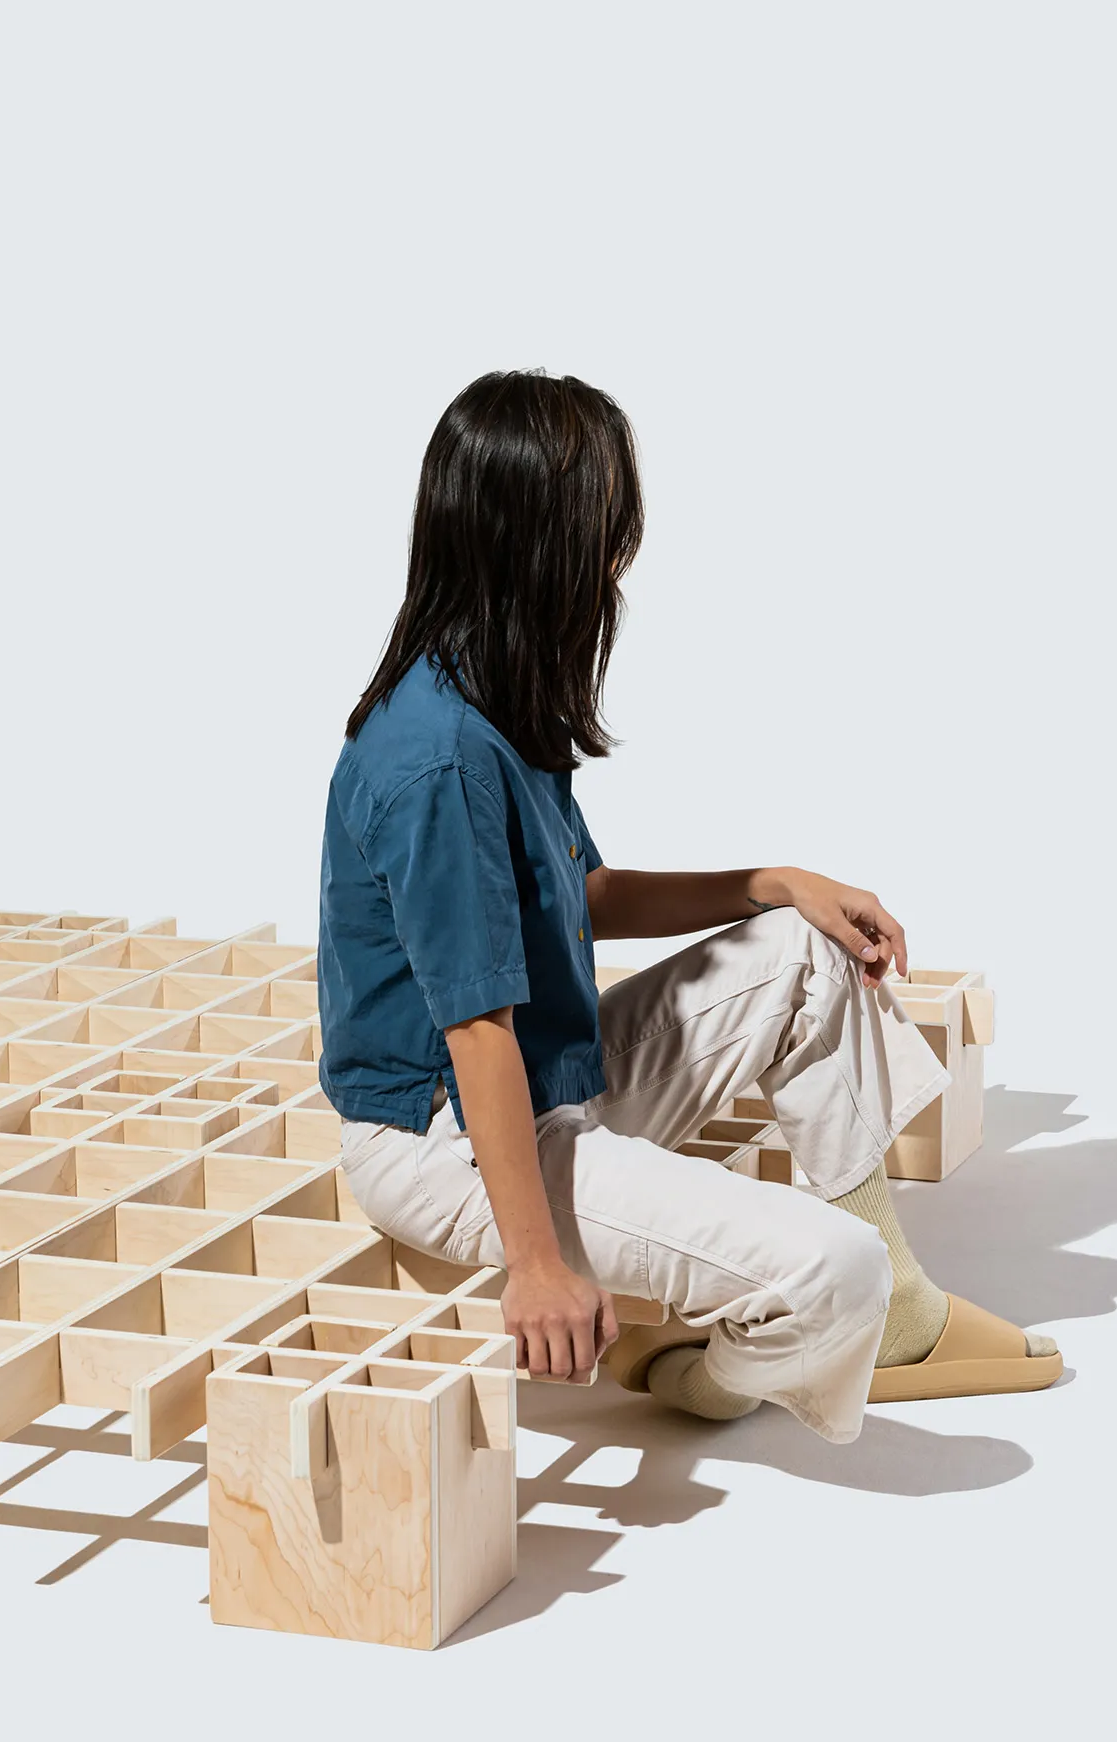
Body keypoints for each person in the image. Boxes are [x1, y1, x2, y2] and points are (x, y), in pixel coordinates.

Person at [314, 369, 1061, 1444]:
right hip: (447, 1142)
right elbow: (473, 1024)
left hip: (548, 1079)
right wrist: (537, 1263)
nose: (620, 552)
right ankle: (714, 1373)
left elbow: (571, 897)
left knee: (805, 948)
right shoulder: (437, 759)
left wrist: (770, 883)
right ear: (540, 545)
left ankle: (893, 1315)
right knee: (826, 1273)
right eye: (605, 527)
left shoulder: (485, 693)